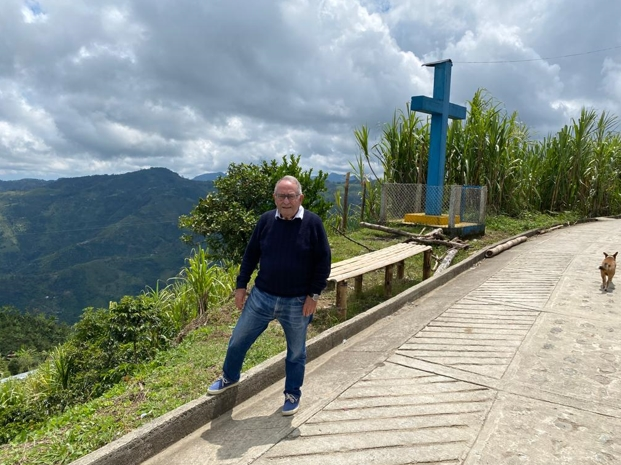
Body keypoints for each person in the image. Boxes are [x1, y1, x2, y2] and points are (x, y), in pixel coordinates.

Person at [207, 175, 331, 416]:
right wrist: (241, 286)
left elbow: (323, 262)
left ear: (300, 198)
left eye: (291, 196)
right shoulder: (265, 221)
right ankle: (229, 377)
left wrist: (313, 296)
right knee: (238, 339)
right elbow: (251, 254)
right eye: (281, 196)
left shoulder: (313, 224)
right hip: (262, 296)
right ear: (275, 198)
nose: (286, 201)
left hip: (297, 302)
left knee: (296, 352)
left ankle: (292, 393)